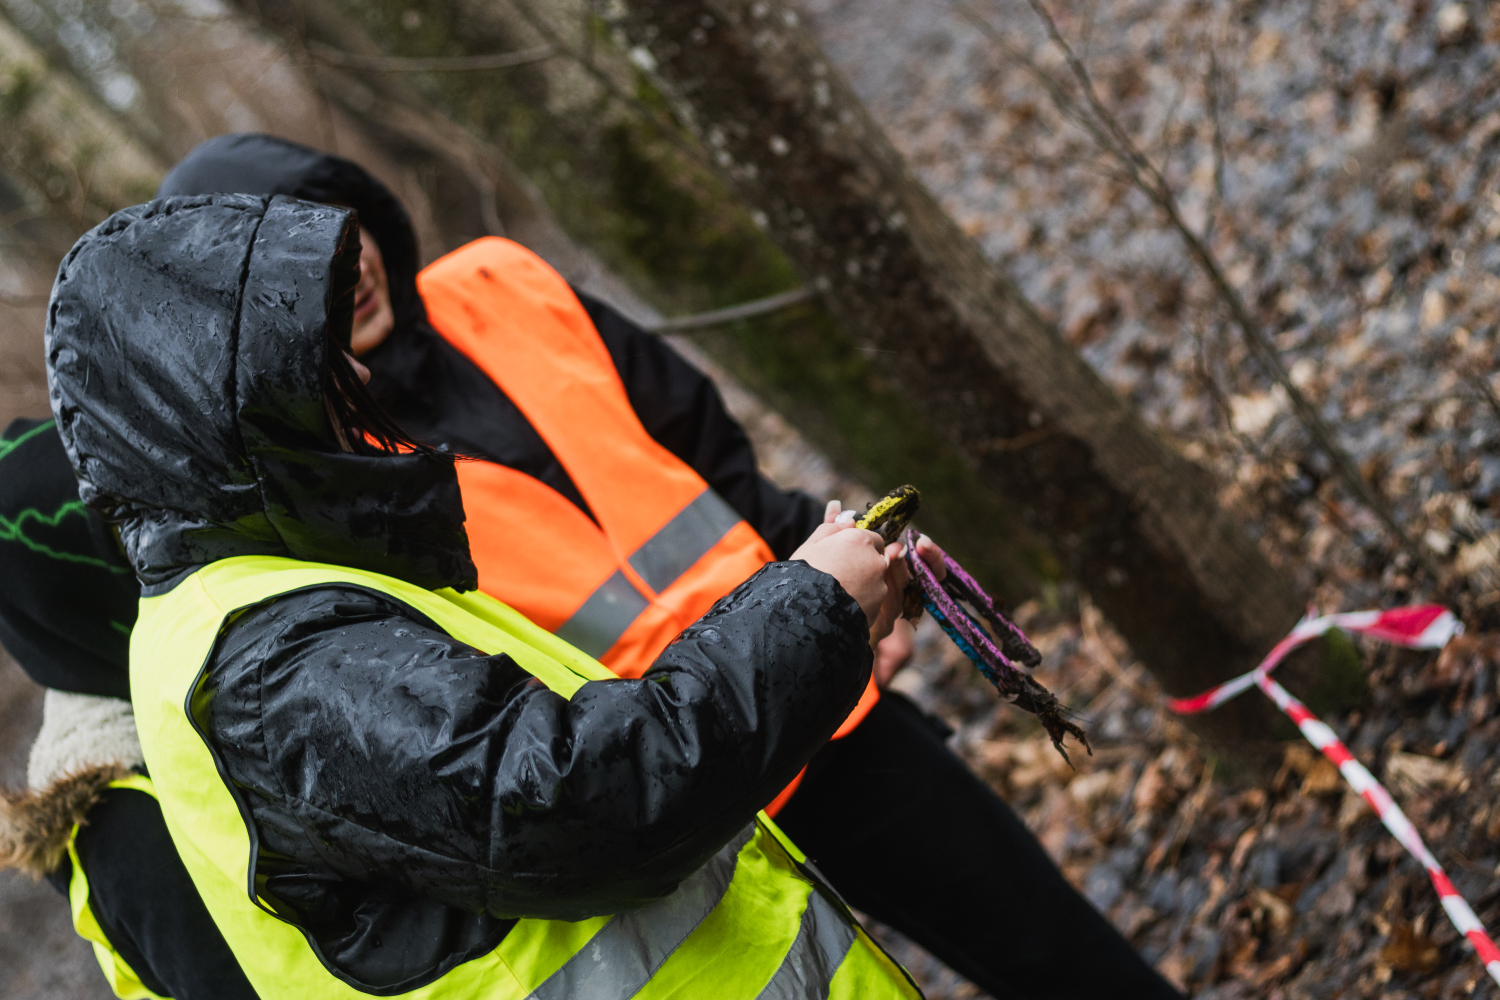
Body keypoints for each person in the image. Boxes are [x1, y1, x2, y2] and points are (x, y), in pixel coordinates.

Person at [0, 133, 1182, 1000]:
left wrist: (842, 585)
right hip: (683, 812)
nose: (349, 274)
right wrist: (813, 613)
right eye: (300, 286)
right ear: (244, 345)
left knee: (1058, 955)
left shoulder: (499, 289)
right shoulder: (313, 528)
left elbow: (697, 448)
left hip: (823, 718)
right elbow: (536, 785)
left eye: (340, 228)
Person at [43, 191, 924, 998]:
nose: (362, 379)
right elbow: (585, 803)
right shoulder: (269, 658)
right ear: (220, 408)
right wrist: (814, 608)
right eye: (312, 363)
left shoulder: (272, 597)